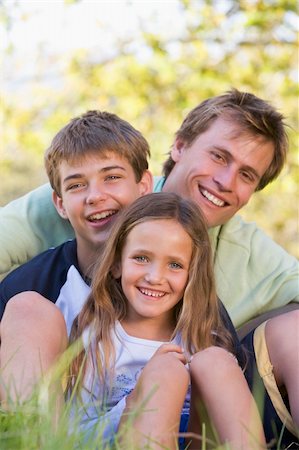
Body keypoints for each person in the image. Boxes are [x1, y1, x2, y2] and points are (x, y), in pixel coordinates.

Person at [0, 89, 297, 330]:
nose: (225, 181)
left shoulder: (249, 252)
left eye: (246, 175)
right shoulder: (94, 195)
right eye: (218, 156)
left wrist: (257, 335)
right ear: (180, 146)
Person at [26, 193, 269, 450]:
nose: (155, 277)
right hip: (101, 440)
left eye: (174, 265)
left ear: (192, 274)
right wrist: (142, 390)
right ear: (117, 263)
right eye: (141, 258)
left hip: (190, 438)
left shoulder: (199, 340)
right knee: (166, 373)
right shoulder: (90, 326)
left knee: (216, 361)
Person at [0, 109, 153, 400]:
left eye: (111, 177)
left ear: (143, 186)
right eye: (76, 185)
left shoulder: (177, 276)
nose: (94, 195)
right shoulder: (32, 287)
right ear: (59, 203)